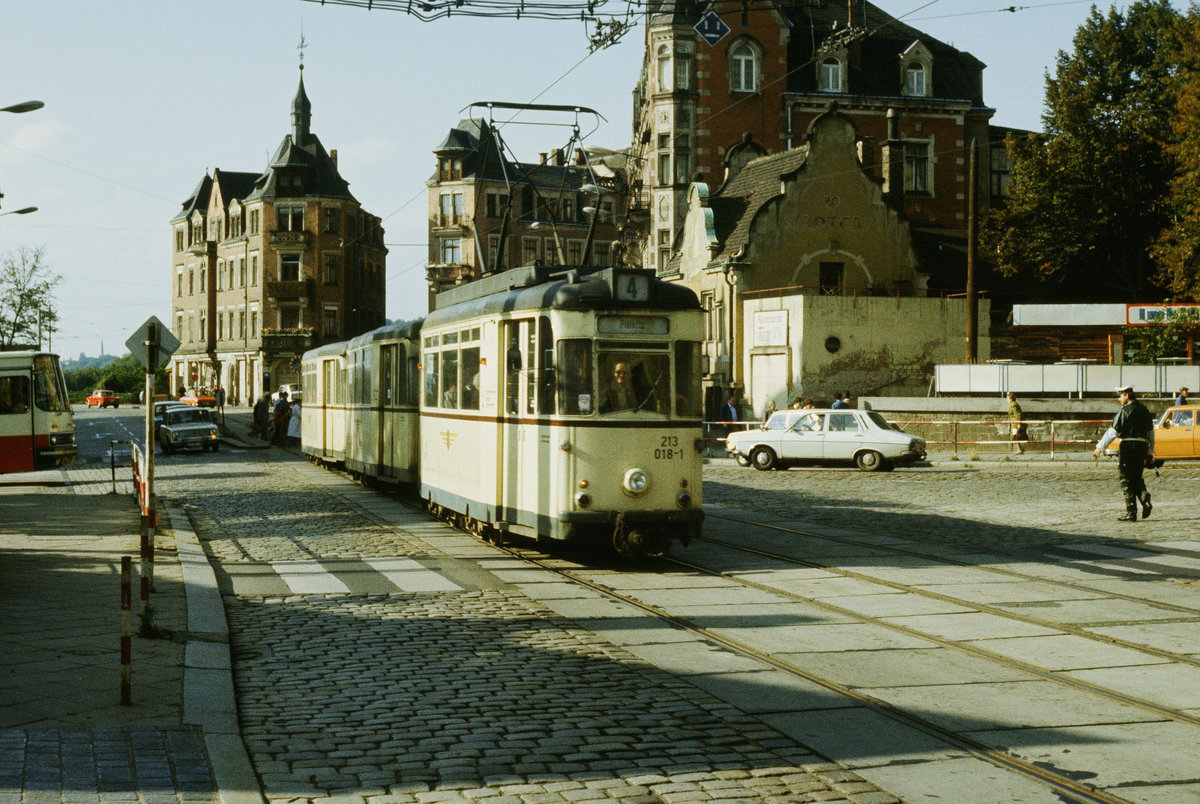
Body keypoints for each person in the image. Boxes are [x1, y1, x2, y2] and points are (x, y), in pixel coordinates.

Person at [1093, 385, 1155, 521]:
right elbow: (1151, 433)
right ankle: (1145, 501)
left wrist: (1100, 447)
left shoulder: (1124, 411)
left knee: (1126, 478)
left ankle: (1131, 512)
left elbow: (1113, 432)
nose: (1119, 399)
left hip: (1128, 446)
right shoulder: (1144, 410)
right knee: (1137, 477)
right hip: (1142, 446)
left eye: (1120, 396)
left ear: (1126, 395)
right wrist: (1150, 451)